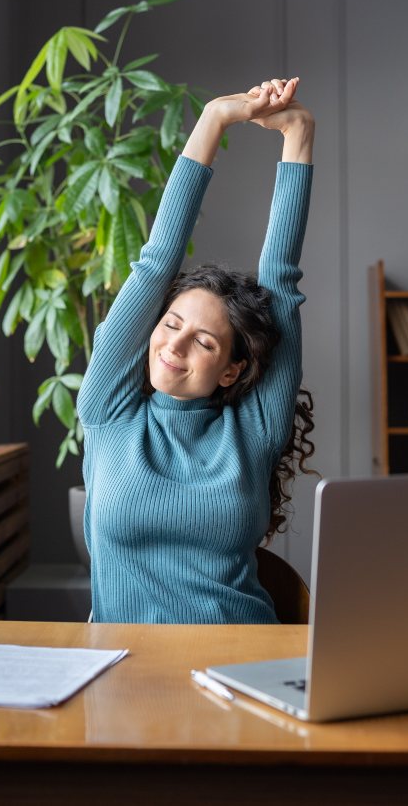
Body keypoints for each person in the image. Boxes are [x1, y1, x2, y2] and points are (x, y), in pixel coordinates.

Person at [78, 76, 316, 624]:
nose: (174, 344)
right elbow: (156, 262)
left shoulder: (253, 431)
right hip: (125, 662)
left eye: (205, 341)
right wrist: (214, 118)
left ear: (232, 370)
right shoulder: (109, 410)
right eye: (171, 323)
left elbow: (280, 283)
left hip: (241, 654)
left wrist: (299, 134)